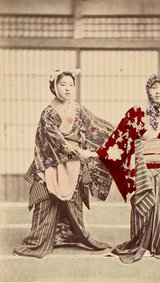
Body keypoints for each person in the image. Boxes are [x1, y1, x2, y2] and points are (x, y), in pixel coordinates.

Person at [97, 74, 160, 263]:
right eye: (154, 87)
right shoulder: (136, 112)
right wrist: (98, 154)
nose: (158, 91)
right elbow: (119, 137)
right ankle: (138, 242)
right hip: (142, 168)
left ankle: (155, 243)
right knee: (142, 207)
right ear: (148, 90)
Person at [13, 69, 114, 258]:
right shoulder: (48, 113)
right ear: (53, 87)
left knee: (74, 201)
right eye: (63, 84)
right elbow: (54, 139)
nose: (67, 88)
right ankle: (40, 240)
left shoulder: (79, 109)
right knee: (45, 199)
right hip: (51, 162)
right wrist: (77, 151)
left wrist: (119, 135)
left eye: (70, 84)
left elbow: (97, 127)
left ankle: (68, 236)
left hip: (74, 163)